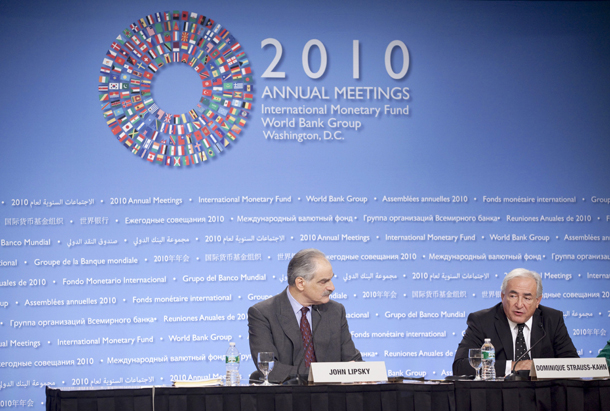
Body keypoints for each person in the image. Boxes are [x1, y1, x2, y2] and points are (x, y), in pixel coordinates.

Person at [248, 248, 362, 383]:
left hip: (331, 398)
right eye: (323, 282)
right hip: (286, 398)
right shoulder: (263, 313)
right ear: (300, 283)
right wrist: (322, 374)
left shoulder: (335, 311)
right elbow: (270, 370)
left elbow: (353, 361)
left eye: (330, 280)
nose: (332, 287)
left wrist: (363, 372)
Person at [453, 268, 578, 377]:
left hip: (543, 397)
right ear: (503, 297)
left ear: (537, 301)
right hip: (500, 398)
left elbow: (572, 365)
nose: (519, 305)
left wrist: (539, 368)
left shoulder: (552, 319)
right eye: (513, 296)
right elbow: (460, 367)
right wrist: (514, 366)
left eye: (527, 298)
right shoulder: (482, 321)